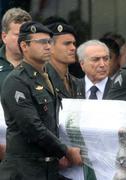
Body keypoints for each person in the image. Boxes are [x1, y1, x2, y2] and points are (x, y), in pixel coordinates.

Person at [0, 21, 82, 180]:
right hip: (23, 170)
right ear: (24, 46)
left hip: (47, 168)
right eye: (41, 42)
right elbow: (32, 126)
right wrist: (65, 151)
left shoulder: (47, 78)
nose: (48, 47)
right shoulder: (17, 80)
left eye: (50, 42)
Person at [0, 7, 31, 93]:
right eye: (18, 35)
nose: (23, 39)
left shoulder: (40, 65)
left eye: (26, 35)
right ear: (4, 37)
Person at [45, 22, 80, 98]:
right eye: (67, 44)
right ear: (50, 47)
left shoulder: (77, 83)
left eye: (74, 43)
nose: (73, 48)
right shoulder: (40, 81)